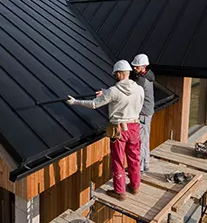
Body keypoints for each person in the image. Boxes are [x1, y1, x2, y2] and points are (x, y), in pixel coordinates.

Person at [66, 60, 144, 201]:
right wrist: (106, 93)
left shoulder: (114, 91)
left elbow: (94, 104)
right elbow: (132, 101)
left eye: (115, 74)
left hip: (119, 129)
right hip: (135, 127)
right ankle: (135, 186)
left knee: (118, 160)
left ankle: (120, 192)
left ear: (119, 74)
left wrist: (75, 102)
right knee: (134, 158)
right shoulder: (139, 89)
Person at [131, 54, 155, 173]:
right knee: (145, 138)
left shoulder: (141, 80)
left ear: (143, 66)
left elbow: (131, 92)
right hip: (147, 111)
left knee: (141, 140)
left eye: (136, 66)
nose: (134, 68)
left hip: (143, 113)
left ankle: (140, 167)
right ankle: (145, 164)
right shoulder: (149, 76)